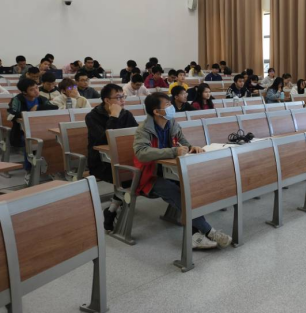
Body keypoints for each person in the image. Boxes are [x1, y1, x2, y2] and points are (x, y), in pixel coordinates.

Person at [133, 93, 232, 249]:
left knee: (191, 189)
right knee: (178, 194)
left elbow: (183, 142)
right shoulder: (144, 129)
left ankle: (194, 236)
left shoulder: (171, 123)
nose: (171, 107)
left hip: (172, 171)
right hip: (150, 176)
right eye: (167, 105)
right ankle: (210, 231)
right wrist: (173, 151)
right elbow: (141, 153)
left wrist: (192, 147)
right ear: (156, 111)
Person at [86, 83, 138, 230]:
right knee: (130, 175)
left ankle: (112, 209)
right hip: (101, 161)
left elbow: (136, 135)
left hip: (123, 157)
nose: (123, 100)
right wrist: (114, 116)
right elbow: (104, 139)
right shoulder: (92, 117)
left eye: (123, 96)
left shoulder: (126, 114)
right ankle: (115, 206)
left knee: (140, 172)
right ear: (107, 100)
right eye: (119, 97)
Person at [8, 78, 58, 161]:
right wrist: (28, 113)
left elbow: (54, 107)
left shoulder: (41, 99)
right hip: (21, 131)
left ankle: (46, 164)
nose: (36, 91)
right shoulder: (17, 99)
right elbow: (12, 114)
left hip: (42, 128)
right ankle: (30, 166)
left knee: (51, 140)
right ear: (24, 92)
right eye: (31, 89)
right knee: (30, 143)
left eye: (36, 87)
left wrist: (37, 107)